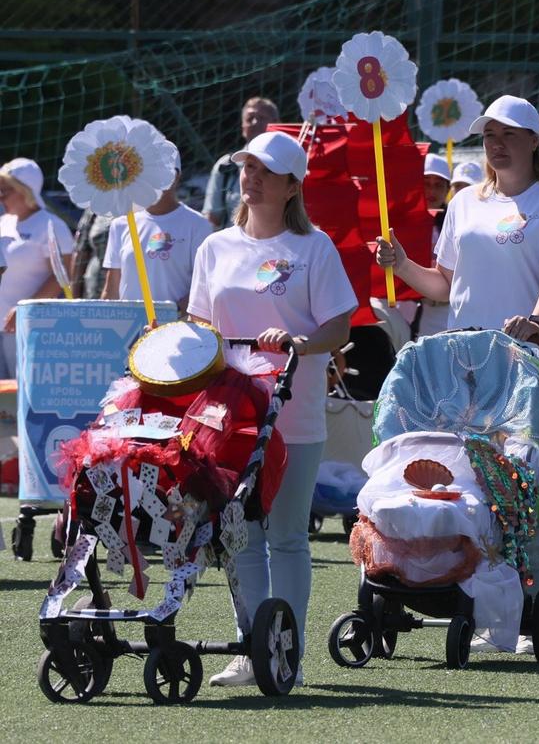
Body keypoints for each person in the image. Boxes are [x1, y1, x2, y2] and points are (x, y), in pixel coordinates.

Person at [194, 131, 356, 687]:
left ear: (292, 186)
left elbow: (339, 323)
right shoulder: (214, 247)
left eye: (266, 170)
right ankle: (249, 649)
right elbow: (200, 327)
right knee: (240, 536)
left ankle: (287, 650)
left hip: (294, 414)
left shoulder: (315, 248)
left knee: (286, 534)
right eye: (247, 166)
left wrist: (300, 342)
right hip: (227, 416)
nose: (252, 176)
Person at [374, 95, 539, 388]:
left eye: (508, 134)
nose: (496, 143)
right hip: (465, 360)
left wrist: (536, 324)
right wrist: (402, 265)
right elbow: (445, 286)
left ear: (534, 140)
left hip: (528, 358)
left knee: (524, 437)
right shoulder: (463, 201)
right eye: (489, 135)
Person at [102, 144, 211, 312]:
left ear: (176, 177)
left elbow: (205, 287)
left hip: (176, 331)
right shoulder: (121, 224)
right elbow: (111, 290)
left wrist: (168, 315)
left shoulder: (198, 226)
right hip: (128, 333)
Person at [0, 158, 75, 380]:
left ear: (26, 191)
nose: (0, 196)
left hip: (29, 328)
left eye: (6, 190)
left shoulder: (51, 225)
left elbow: (63, 275)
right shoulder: (3, 222)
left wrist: (25, 308)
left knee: (19, 391)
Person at [202, 97, 280, 230]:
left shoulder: (287, 165)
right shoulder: (226, 166)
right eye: (250, 119)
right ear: (242, 126)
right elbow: (211, 217)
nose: (255, 122)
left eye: (261, 118)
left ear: (276, 124)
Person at [416, 154, 453, 337]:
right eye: (426, 182)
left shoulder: (456, 222)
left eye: (439, 184)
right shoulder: (399, 222)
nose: (432, 190)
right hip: (405, 309)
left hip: (443, 311)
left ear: (448, 189)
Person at [71, 210, 114, 299]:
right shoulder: (96, 206)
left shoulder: (145, 207)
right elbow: (80, 252)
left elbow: (151, 249)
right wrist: (74, 301)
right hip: (94, 292)